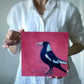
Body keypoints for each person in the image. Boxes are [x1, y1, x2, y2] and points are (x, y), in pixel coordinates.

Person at [3, 0, 84, 84]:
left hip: (63, 79)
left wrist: (61, 55)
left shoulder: (69, 9)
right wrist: (12, 42)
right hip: (28, 79)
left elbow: (81, 43)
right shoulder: (18, 10)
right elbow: (15, 51)